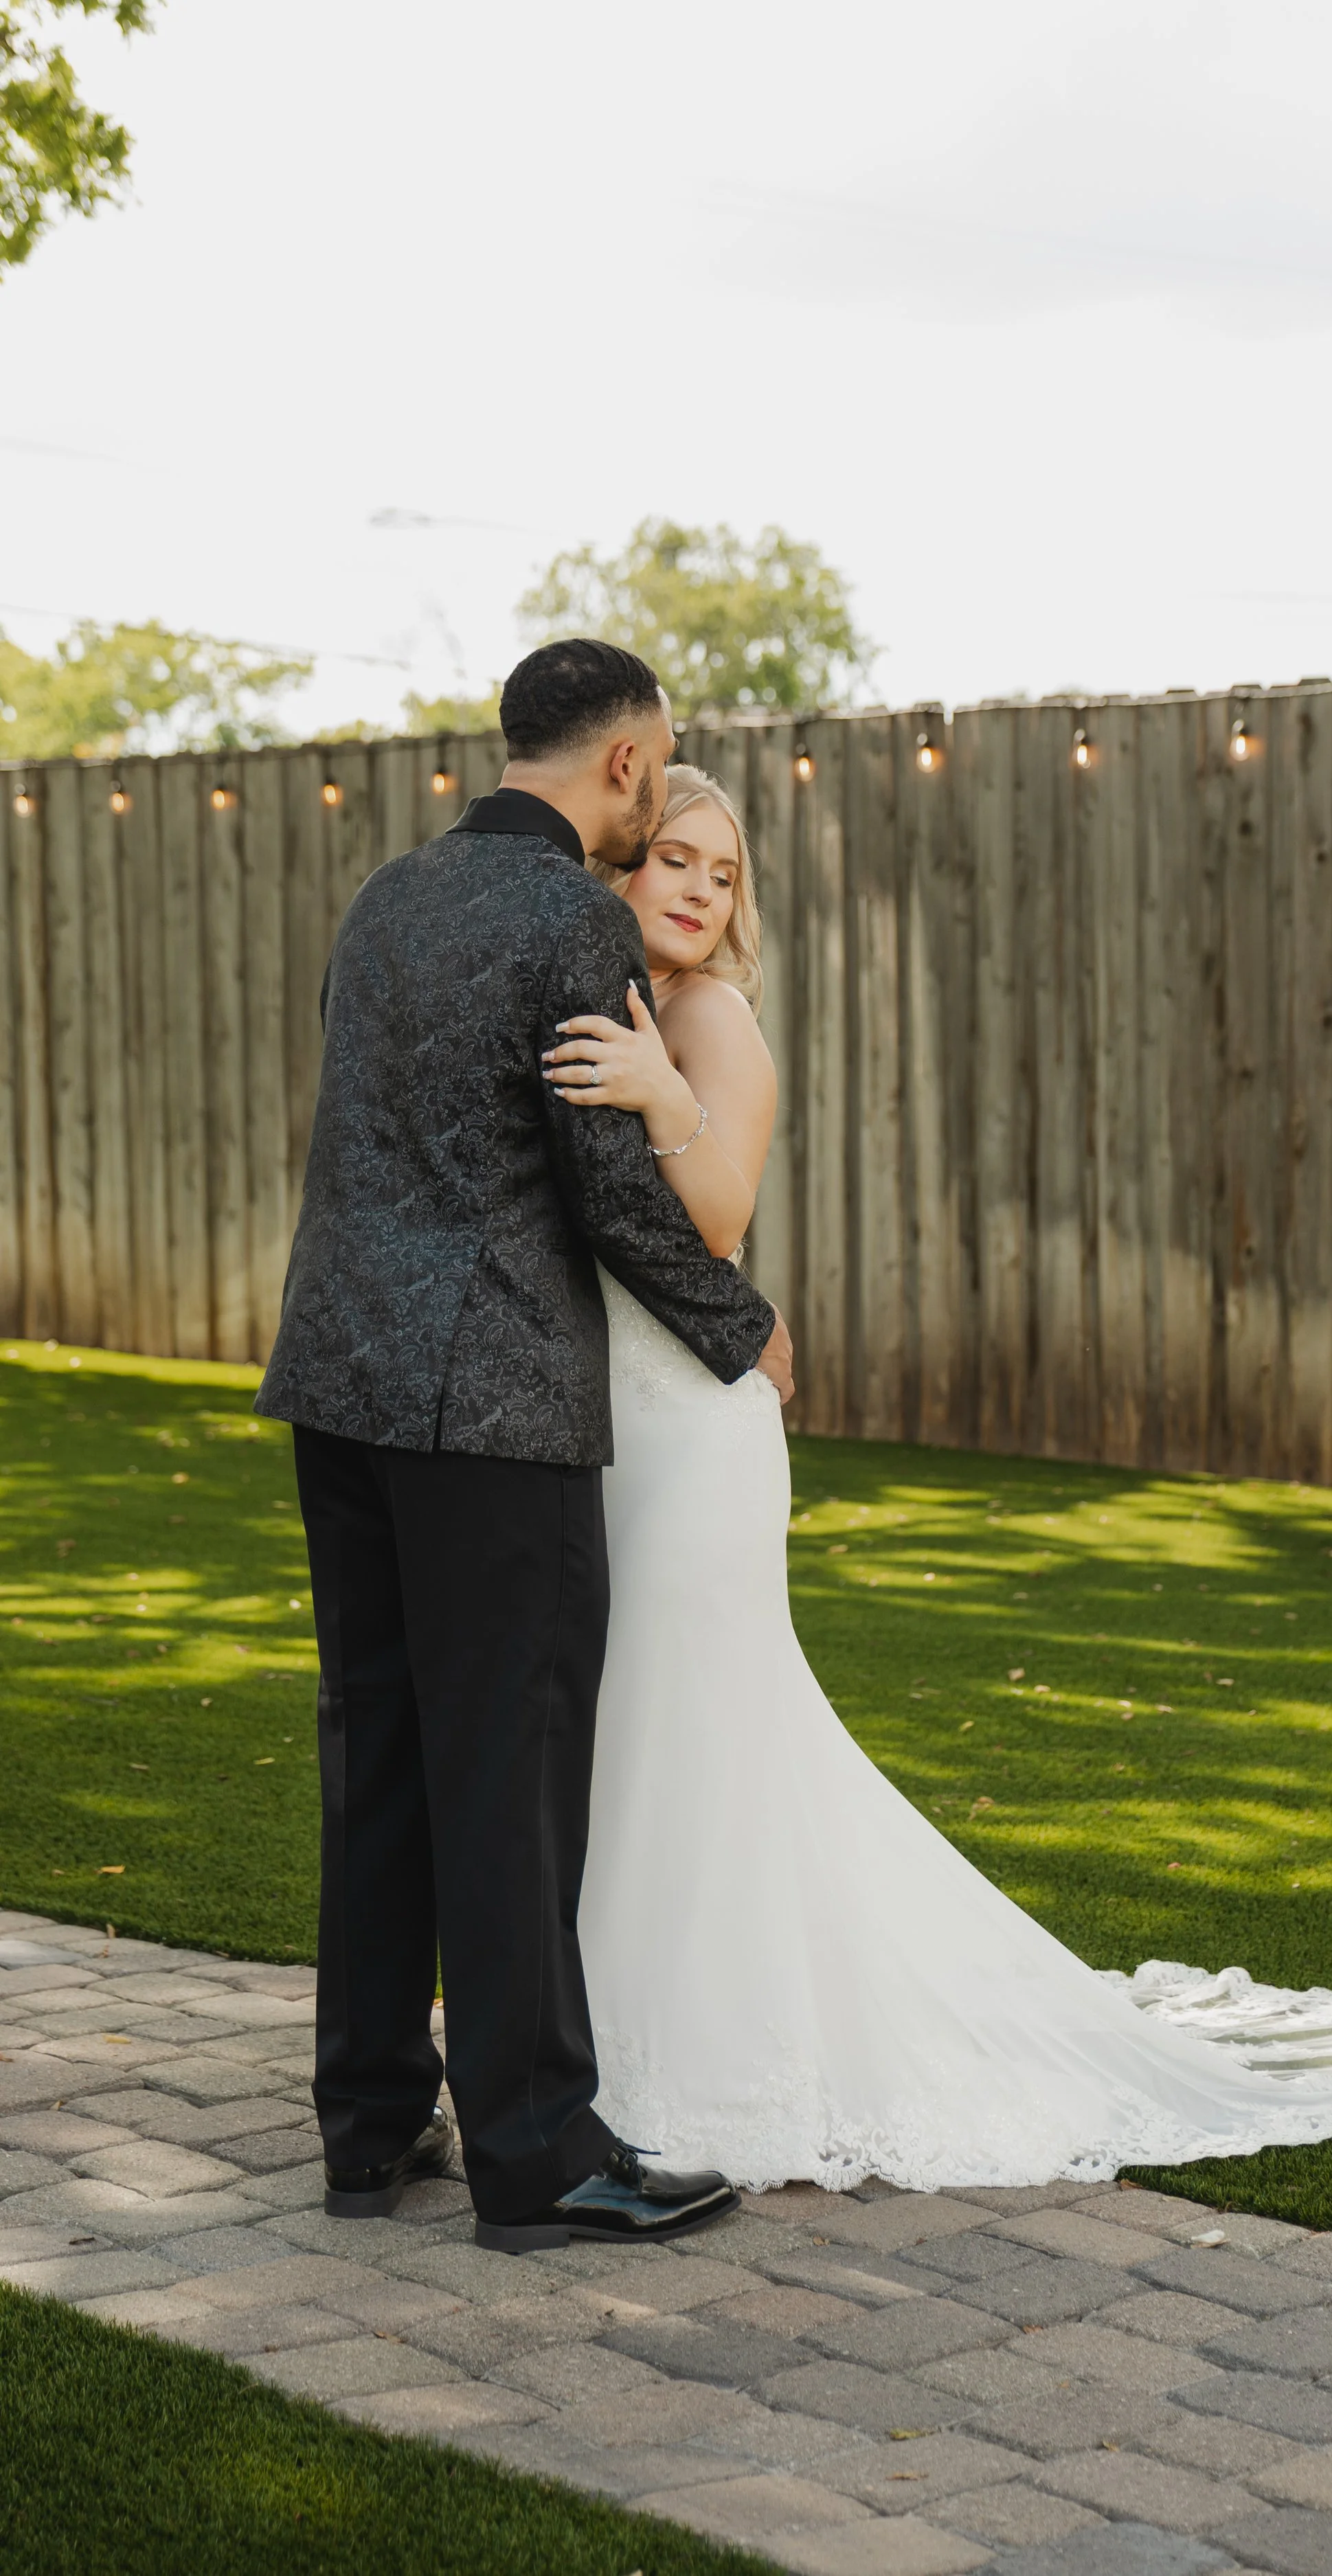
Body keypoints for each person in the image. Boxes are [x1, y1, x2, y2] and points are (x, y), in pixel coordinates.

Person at [540, 765, 1332, 2191]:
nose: (693, 890)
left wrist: (661, 1084)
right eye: (671, 858)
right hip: (611, 1412)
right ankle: (592, 2033)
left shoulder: (709, 1019)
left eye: (720, 875)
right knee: (632, 1728)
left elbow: (722, 1211)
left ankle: (697, 2050)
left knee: (693, 1726)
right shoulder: (612, 1002)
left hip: (697, 1426)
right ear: (619, 860)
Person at [256, 640, 795, 2253]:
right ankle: (540, 2154)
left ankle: (366, 2122)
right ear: (628, 763)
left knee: (381, 1760)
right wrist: (737, 1323)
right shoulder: (568, 916)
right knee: (511, 1772)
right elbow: (610, 1191)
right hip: (485, 1408)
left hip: (336, 1387)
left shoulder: (385, 898)